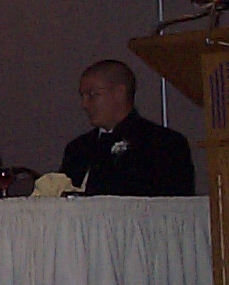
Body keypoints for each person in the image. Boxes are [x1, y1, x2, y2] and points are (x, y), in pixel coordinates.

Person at [60, 59, 195, 196]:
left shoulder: (164, 144)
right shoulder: (77, 149)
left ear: (120, 92)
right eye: (82, 96)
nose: (84, 104)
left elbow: (175, 202)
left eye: (92, 94)